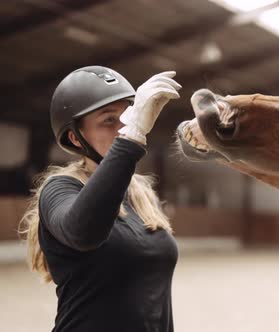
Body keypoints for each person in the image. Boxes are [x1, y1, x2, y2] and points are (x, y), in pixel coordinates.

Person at [19, 66, 182, 332]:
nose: (123, 127)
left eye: (128, 116)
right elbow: (83, 232)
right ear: (75, 137)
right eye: (108, 120)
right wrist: (133, 135)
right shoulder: (59, 189)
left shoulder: (142, 194)